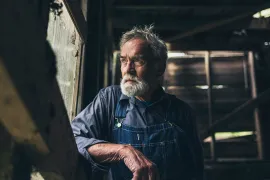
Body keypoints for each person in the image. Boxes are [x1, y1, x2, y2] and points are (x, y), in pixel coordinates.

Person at [71, 25, 204, 180]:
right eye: (124, 61)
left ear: (159, 68)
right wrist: (122, 151)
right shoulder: (109, 100)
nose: (128, 69)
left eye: (138, 61)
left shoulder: (182, 112)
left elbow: (195, 172)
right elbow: (73, 138)